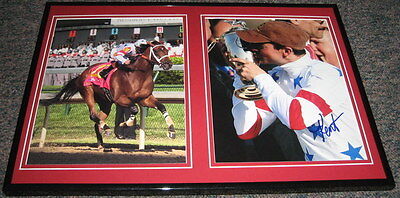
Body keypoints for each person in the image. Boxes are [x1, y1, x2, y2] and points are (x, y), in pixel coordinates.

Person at [231, 21, 366, 161]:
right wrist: (241, 81)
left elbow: (298, 118)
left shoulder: (325, 73)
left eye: (259, 46)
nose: (252, 50)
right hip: (319, 170)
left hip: (354, 165)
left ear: (286, 51)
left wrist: (260, 77)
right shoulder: (276, 78)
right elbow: (247, 129)